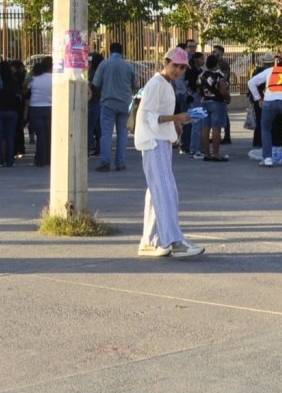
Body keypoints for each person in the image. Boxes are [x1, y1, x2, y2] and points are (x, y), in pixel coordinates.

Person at [133, 47, 204, 258]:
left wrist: (175, 122)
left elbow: (157, 115)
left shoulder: (164, 83)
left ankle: (151, 241)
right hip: (154, 142)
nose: (178, 71)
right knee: (164, 191)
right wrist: (176, 119)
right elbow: (148, 116)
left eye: (182, 68)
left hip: (159, 141)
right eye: (176, 66)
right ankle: (173, 241)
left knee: (158, 192)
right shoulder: (157, 83)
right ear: (166, 62)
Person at [93, 42, 136, 172]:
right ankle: (120, 163)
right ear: (122, 51)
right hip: (125, 103)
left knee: (106, 133)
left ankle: (105, 162)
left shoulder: (104, 64)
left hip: (108, 103)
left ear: (109, 51)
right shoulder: (129, 66)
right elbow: (136, 84)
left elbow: (96, 83)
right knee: (123, 134)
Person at [197, 54, 230, 161]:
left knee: (205, 129)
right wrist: (228, 98)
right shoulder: (219, 76)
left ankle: (206, 153)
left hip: (204, 102)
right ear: (216, 64)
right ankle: (216, 154)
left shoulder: (201, 75)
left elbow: (198, 89)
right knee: (216, 128)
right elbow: (223, 90)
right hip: (217, 103)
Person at [25, 57, 52, 167]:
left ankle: (40, 160)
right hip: (50, 107)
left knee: (40, 135)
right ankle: (49, 159)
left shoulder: (34, 79)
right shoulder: (54, 78)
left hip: (36, 108)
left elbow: (25, 88)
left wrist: (31, 76)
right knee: (49, 135)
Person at [0, 61, 21, 168]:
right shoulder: (14, 81)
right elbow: (18, 95)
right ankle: (10, 160)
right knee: (10, 137)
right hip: (12, 110)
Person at [213, 44, 233, 144]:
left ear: (220, 53)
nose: (213, 53)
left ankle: (227, 136)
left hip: (222, 90)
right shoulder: (216, 63)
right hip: (216, 91)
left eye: (215, 51)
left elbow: (224, 77)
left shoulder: (223, 64)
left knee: (224, 114)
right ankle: (217, 135)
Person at [86, 52, 103, 157]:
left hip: (92, 102)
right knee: (99, 129)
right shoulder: (101, 72)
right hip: (100, 102)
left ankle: (86, 151)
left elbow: (89, 86)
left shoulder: (92, 74)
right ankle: (99, 149)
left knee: (89, 129)